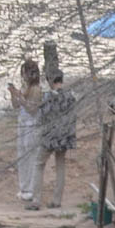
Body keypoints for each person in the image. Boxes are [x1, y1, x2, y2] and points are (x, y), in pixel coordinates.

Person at [36, 70, 76, 208]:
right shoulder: (70, 96)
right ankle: (57, 200)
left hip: (50, 136)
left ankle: (36, 200)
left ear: (51, 81)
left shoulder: (48, 97)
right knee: (60, 165)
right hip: (64, 135)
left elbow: (42, 116)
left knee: (39, 164)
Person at [8, 59, 43, 209]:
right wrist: (13, 94)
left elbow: (32, 109)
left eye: (24, 73)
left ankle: (31, 189)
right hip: (22, 123)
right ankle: (24, 187)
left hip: (32, 125)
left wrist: (20, 97)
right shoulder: (25, 87)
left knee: (31, 156)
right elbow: (16, 105)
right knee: (22, 155)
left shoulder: (36, 89)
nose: (23, 76)